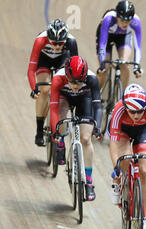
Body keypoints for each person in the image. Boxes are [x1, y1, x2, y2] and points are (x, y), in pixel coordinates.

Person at [109, 84, 146, 229]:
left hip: (143, 131)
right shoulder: (118, 110)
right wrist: (116, 167)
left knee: (145, 171)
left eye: (140, 111)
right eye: (133, 111)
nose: (137, 115)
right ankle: (118, 183)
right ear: (126, 107)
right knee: (124, 161)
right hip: (123, 131)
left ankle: (145, 218)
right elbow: (113, 142)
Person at [50, 56, 102, 201]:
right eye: (72, 82)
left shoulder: (92, 79)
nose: (75, 86)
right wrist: (56, 132)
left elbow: (97, 107)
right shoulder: (57, 79)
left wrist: (97, 128)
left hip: (84, 99)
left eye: (80, 82)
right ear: (66, 75)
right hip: (64, 97)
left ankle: (89, 181)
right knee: (61, 114)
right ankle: (61, 144)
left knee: (86, 139)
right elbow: (53, 109)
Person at [28, 18, 78, 146]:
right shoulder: (40, 40)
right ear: (48, 38)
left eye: (60, 43)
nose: (57, 46)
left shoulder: (71, 41)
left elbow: (74, 68)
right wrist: (34, 89)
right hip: (44, 60)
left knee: (61, 87)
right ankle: (39, 130)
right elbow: (31, 69)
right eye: (54, 43)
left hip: (62, 59)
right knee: (44, 90)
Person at [96, 0, 142, 90]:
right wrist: (102, 64)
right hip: (107, 37)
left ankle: (123, 98)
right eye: (122, 20)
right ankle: (96, 96)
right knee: (104, 69)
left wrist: (137, 67)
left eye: (128, 21)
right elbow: (102, 44)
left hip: (123, 37)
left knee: (124, 64)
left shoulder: (136, 21)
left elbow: (138, 47)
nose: (125, 23)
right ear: (117, 16)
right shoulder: (108, 19)